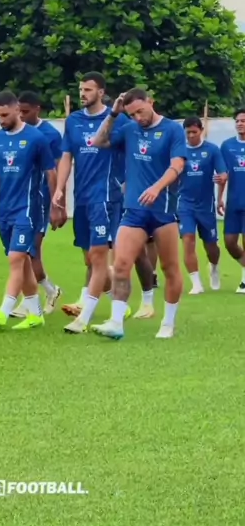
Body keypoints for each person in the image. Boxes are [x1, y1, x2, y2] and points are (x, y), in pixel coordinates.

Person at [91, 88, 187, 340]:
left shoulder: (172, 130)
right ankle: (116, 323)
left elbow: (178, 164)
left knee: (169, 268)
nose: (137, 118)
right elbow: (98, 142)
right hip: (134, 211)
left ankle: (168, 323)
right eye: (132, 114)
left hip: (163, 211)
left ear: (151, 102)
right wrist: (113, 113)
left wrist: (157, 187)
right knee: (121, 265)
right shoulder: (129, 129)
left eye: (140, 111)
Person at [0, 90, 59, 331]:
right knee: (23, 262)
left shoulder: (36, 138)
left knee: (16, 258)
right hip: (4, 210)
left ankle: (4, 311)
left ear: (17, 110)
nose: (1, 120)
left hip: (27, 209)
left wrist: (56, 205)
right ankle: (35, 314)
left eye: (5, 115)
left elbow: (51, 173)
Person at [52, 73, 128, 334]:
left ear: (101, 92)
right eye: (81, 89)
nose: (82, 93)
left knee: (97, 256)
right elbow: (66, 156)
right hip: (82, 198)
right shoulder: (73, 120)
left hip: (105, 197)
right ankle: (119, 296)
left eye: (88, 89)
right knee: (91, 259)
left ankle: (83, 315)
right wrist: (59, 189)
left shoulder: (119, 120)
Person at [178, 116, 227, 294]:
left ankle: (214, 267)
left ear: (201, 130)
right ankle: (196, 283)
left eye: (194, 132)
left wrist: (221, 180)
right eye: (188, 132)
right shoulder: (179, 150)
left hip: (206, 206)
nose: (191, 135)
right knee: (188, 239)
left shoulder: (212, 150)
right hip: (185, 204)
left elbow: (223, 174)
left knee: (211, 246)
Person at [219, 108, 245, 292]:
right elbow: (223, 174)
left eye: (243, 120)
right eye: (237, 121)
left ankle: (244, 281)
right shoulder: (227, 146)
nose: (240, 123)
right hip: (233, 202)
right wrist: (220, 198)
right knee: (229, 242)